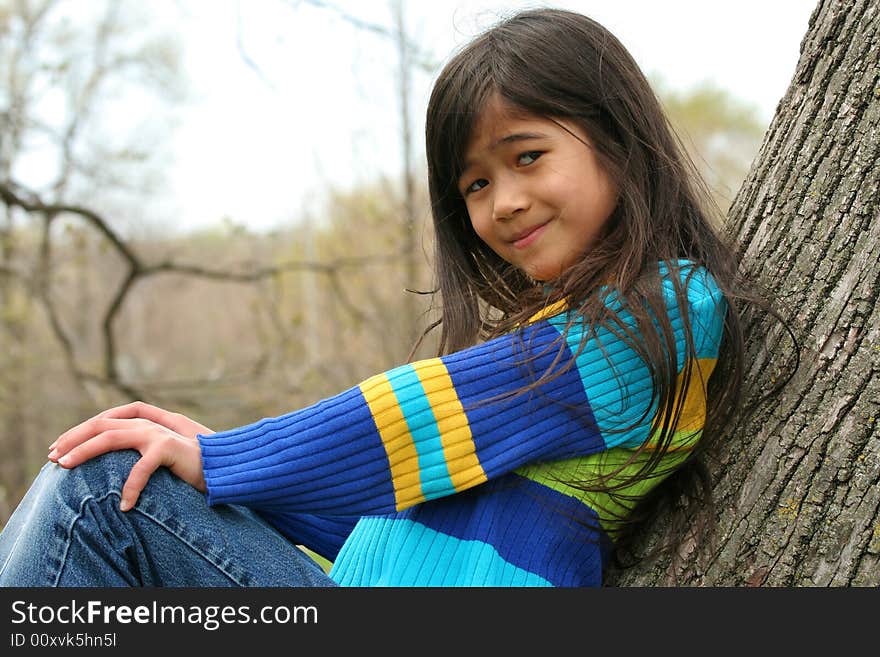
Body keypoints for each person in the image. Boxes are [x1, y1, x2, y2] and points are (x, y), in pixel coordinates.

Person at [0, 7, 783, 587]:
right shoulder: (561, 335)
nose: (502, 201)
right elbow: (384, 523)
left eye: (528, 156)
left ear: (619, 141)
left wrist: (226, 459)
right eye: (475, 183)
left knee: (101, 490)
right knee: (125, 480)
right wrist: (220, 474)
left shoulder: (671, 311)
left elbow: (408, 418)